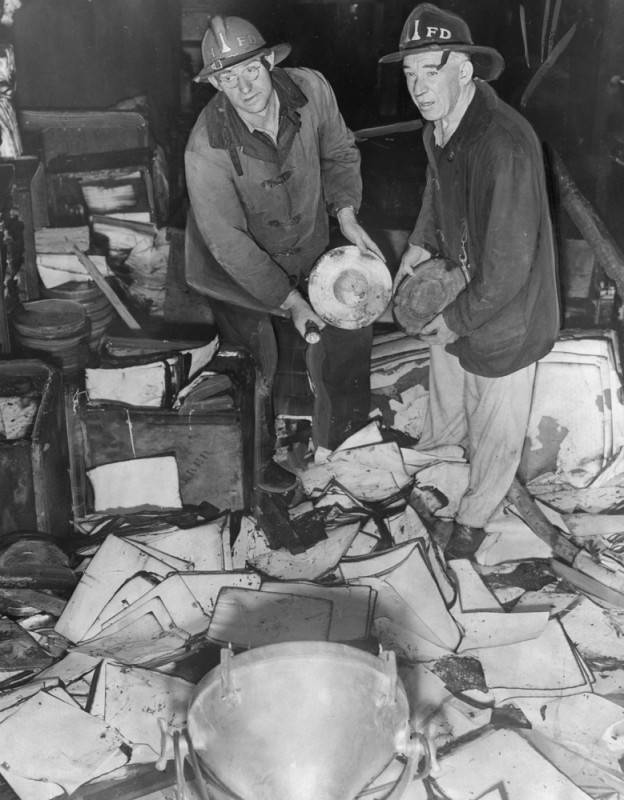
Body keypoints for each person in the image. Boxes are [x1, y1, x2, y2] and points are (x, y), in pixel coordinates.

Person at [381, 3, 560, 556]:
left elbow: (509, 267)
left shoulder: (503, 145)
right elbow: (436, 191)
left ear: (463, 69)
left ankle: (472, 524)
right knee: (447, 400)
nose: (418, 87)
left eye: (429, 71)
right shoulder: (440, 128)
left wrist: (454, 321)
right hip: (459, 286)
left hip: (507, 314)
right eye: (409, 73)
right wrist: (417, 244)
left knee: (494, 429)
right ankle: (437, 479)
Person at [185, 15, 382, 494]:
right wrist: (291, 303)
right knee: (255, 361)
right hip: (231, 263)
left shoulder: (311, 90)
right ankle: (256, 461)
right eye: (229, 78)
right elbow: (229, 243)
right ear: (216, 84)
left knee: (345, 332)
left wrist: (346, 215)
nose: (245, 87)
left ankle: (341, 444)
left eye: (251, 70)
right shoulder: (205, 146)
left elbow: (339, 151)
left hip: (307, 238)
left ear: (269, 60)